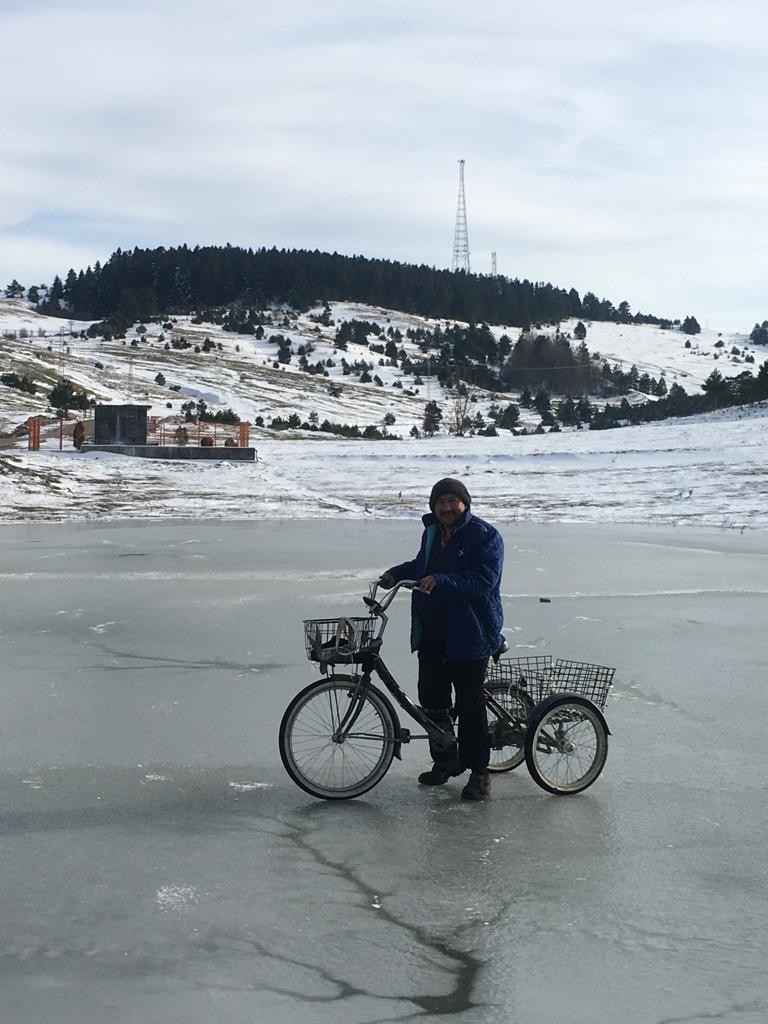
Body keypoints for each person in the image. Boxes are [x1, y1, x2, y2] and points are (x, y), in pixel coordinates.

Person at [380, 478, 504, 801]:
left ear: (465, 503)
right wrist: (396, 573)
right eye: (440, 502)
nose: (447, 508)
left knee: (470, 706)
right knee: (432, 701)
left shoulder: (485, 535)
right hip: (433, 631)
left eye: (452, 501)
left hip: (471, 633)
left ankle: (479, 773)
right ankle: (447, 761)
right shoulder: (432, 532)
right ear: (433, 506)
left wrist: (442, 580)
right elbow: (422, 566)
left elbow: (484, 579)